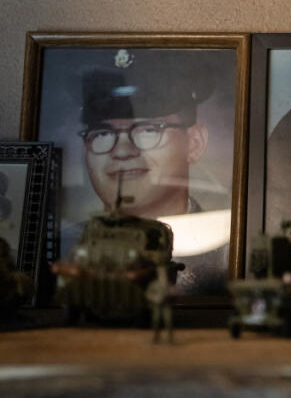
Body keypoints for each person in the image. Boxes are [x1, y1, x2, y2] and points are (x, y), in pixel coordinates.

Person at [66, 49, 228, 295]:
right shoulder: (64, 248)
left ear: (194, 143)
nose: (122, 151)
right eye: (103, 134)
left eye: (147, 130)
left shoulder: (228, 249)